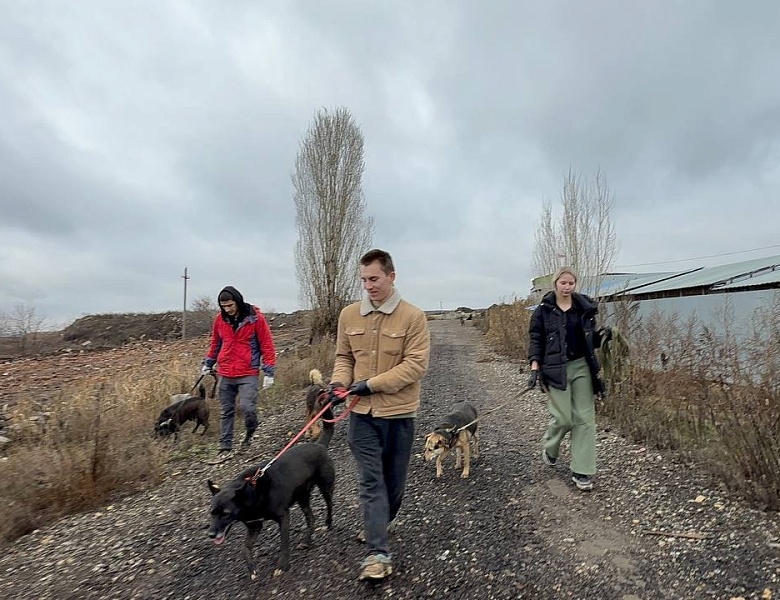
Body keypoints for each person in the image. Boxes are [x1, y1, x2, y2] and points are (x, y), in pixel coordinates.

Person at [326, 249, 430, 581]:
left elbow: (415, 366)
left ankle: (381, 521)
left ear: (391, 276)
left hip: (399, 414)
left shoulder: (413, 317)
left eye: (374, 279)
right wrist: (338, 384)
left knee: (393, 483)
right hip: (361, 415)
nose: (368, 285)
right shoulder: (348, 315)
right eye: (364, 280)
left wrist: (371, 385)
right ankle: (377, 555)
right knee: (371, 480)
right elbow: (344, 357)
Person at [527, 266, 611, 491]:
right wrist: (534, 367)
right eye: (563, 283)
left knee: (585, 419)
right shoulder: (543, 310)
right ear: (555, 284)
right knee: (564, 418)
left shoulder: (583, 308)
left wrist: (602, 337)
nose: (567, 287)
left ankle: (582, 470)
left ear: (575, 284)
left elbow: (588, 340)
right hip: (555, 368)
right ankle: (550, 447)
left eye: (570, 283)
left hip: (582, 366)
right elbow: (536, 339)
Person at [201, 286, 276, 459]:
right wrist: (208, 363)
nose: (227, 309)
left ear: (237, 301)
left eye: (230, 305)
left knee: (247, 408)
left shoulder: (255, 319)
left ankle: (251, 430)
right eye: (223, 306)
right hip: (226, 372)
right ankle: (225, 447)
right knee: (226, 410)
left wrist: (269, 372)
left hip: (248, 372)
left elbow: (267, 345)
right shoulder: (220, 320)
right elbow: (215, 344)